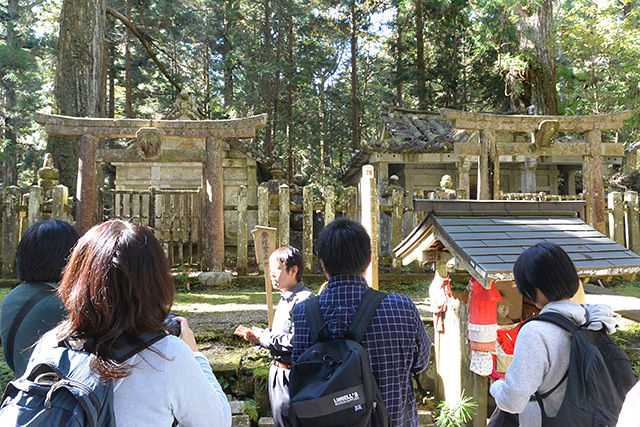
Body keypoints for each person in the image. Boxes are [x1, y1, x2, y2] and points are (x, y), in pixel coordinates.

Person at [49, 219, 231, 426]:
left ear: (76, 277)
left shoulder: (52, 343)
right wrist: (195, 355)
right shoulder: (167, 354)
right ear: (155, 283)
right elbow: (216, 421)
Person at [291, 218, 431, 427]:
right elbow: (420, 363)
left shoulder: (304, 312)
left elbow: (299, 370)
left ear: (323, 265)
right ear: (369, 260)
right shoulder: (401, 307)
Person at [490, 242, 617, 426]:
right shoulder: (592, 321)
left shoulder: (536, 332)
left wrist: (497, 387)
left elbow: (513, 401)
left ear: (536, 289)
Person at [235, 246, 313, 427]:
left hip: (292, 374)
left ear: (293, 270)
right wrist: (261, 336)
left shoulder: (303, 300)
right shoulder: (286, 297)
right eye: (270, 270)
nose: (271, 274)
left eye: (276, 269)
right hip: (278, 370)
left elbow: (297, 341)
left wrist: (264, 337)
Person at [0, 219, 79, 376]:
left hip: (24, 394)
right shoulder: (61, 305)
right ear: (69, 257)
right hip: (58, 397)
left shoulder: (12, 298)